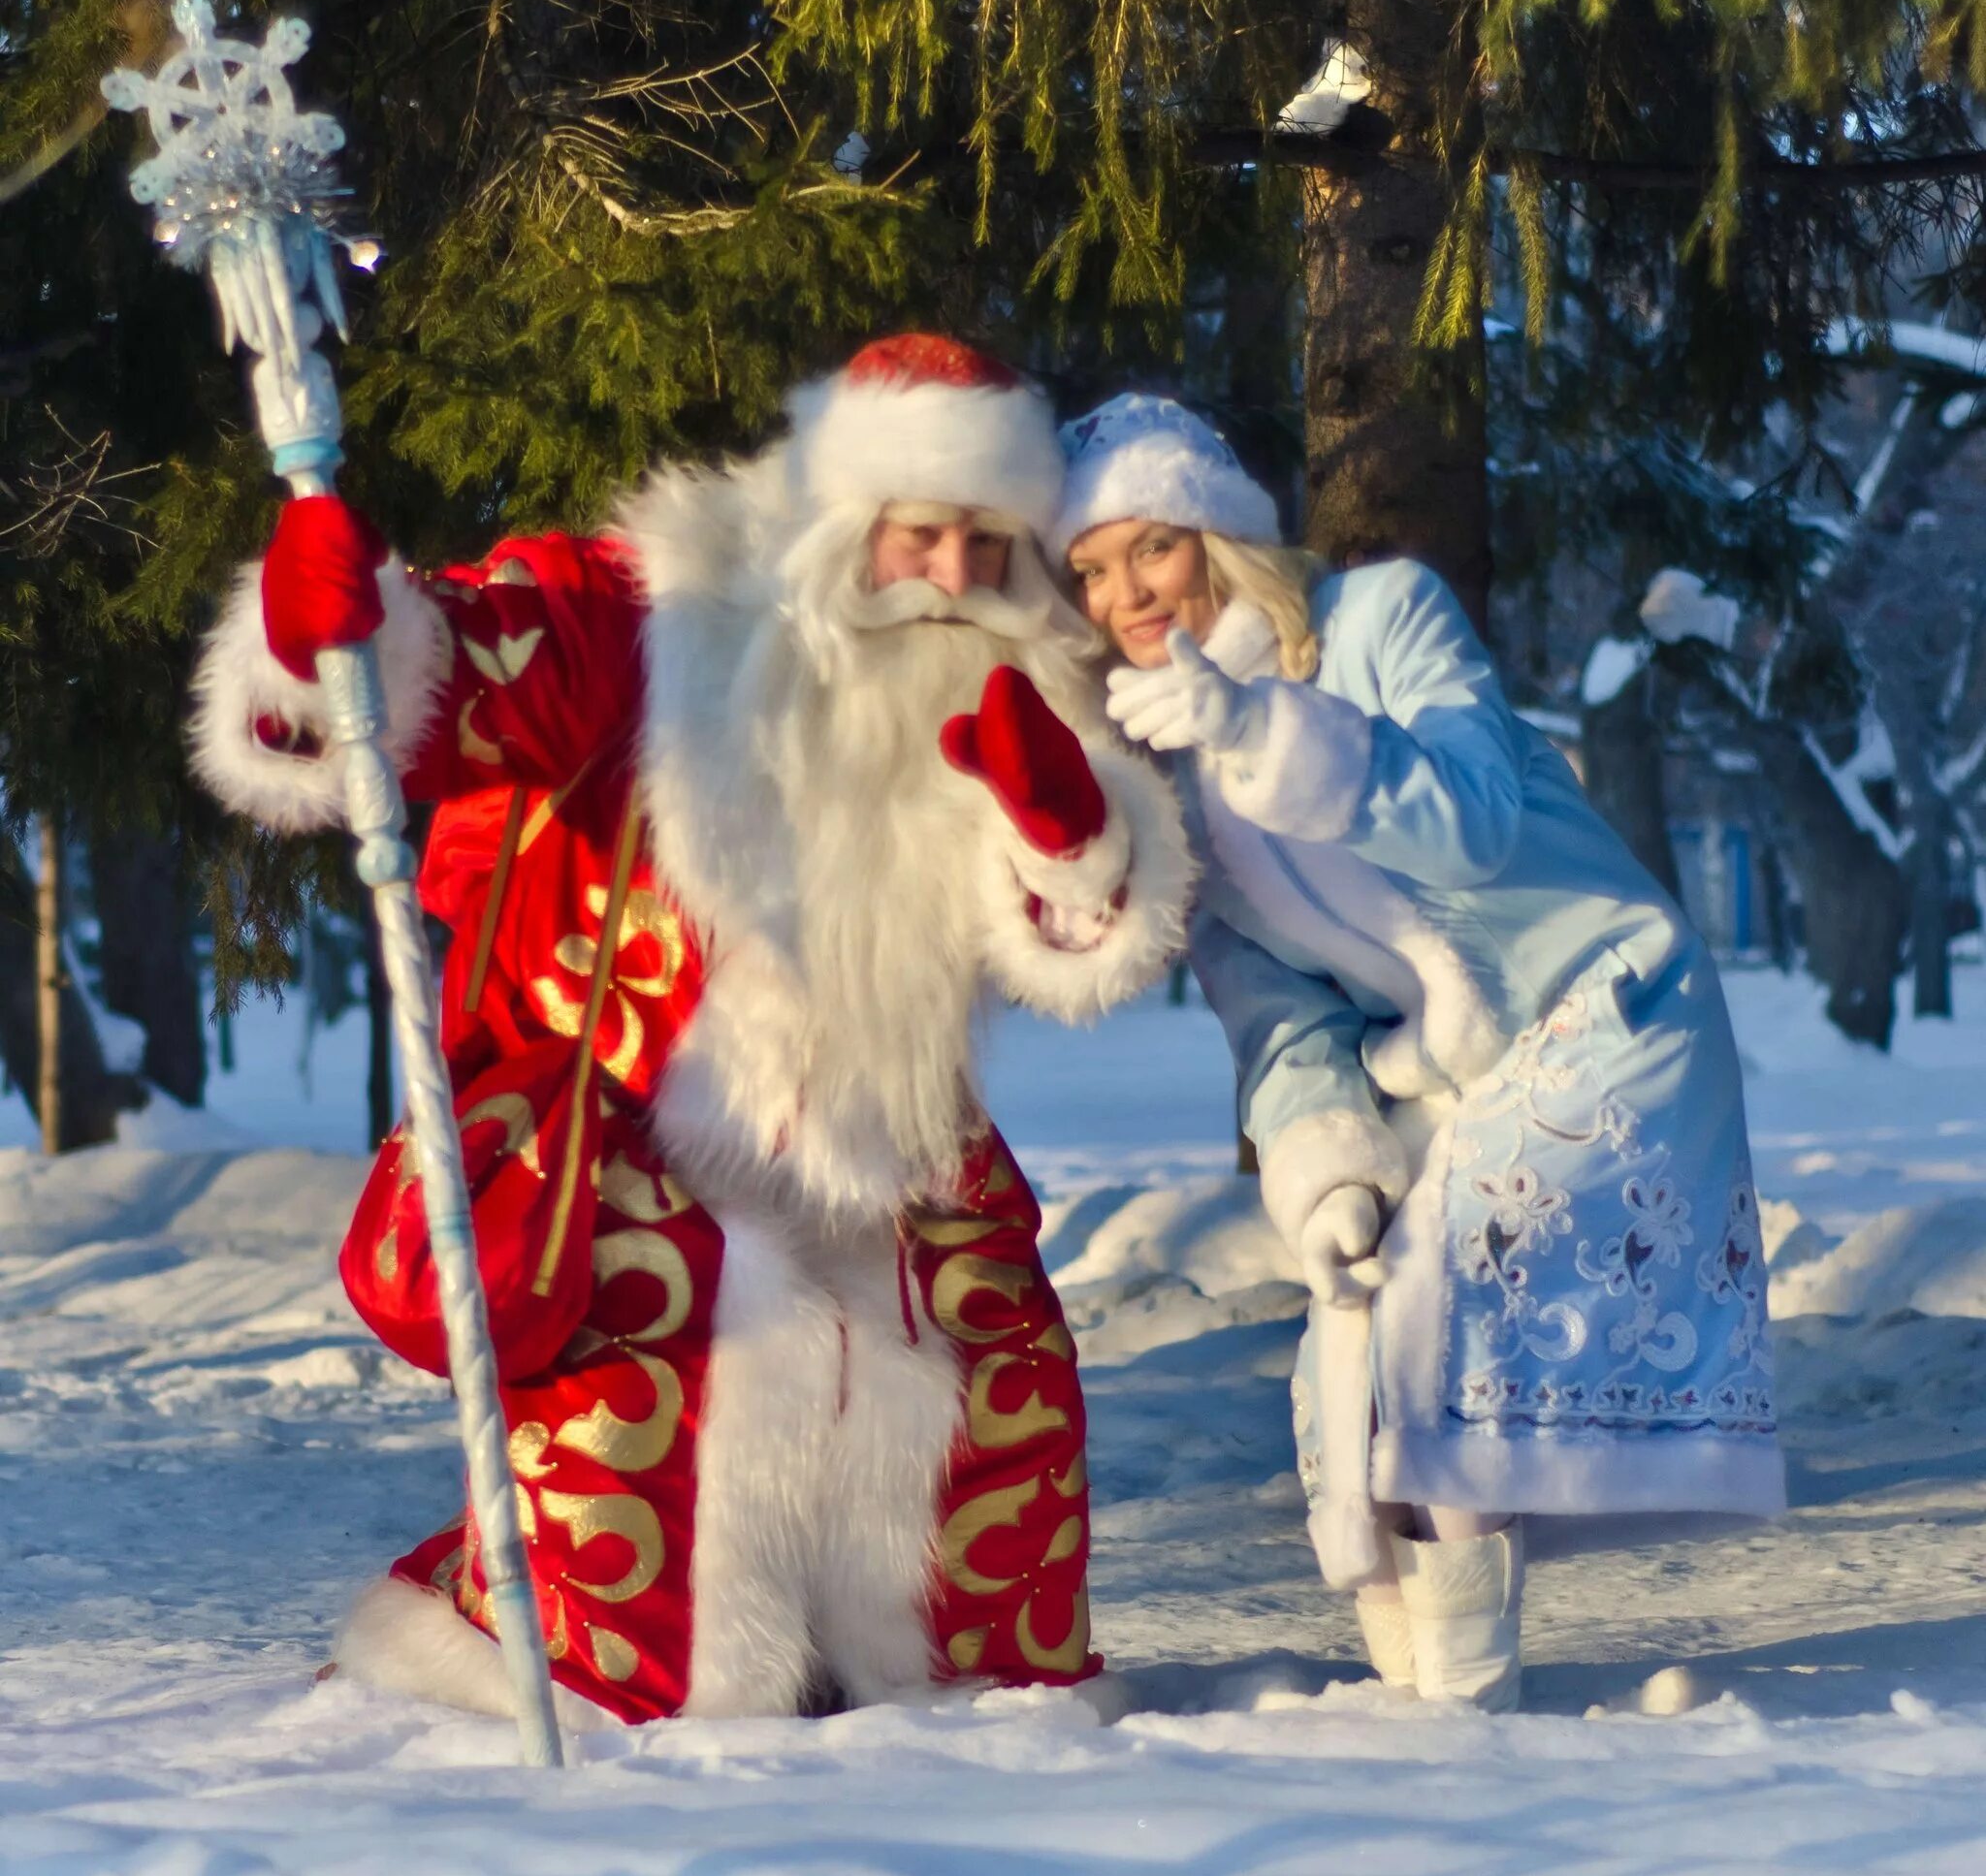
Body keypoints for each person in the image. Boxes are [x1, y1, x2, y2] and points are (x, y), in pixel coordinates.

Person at [187, 335, 1193, 1726]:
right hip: (632, 1148)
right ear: (841, 524)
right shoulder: (657, 614)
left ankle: (918, 1688)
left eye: (987, 541)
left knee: (986, 1393)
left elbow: (1076, 938)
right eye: (921, 536)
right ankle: (639, 1701)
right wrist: (333, 640)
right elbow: (463, 675)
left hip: (892, 1156)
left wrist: (1070, 833)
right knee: (665, 1444)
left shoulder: (1004, 675)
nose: (956, 578)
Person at [1052, 394, 1783, 1711]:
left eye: (1147, 549)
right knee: (1360, 1346)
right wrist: (1323, 1165)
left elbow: (1481, 817)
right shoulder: (1160, 783)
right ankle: (1435, 1701)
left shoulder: (1381, 616)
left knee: (1445, 1318)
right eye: (1090, 573)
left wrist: (1258, 730)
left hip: (1612, 1001)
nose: (1125, 595)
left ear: (1215, 532)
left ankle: (1466, 1711)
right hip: (1440, 1065)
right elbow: (1273, 1009)